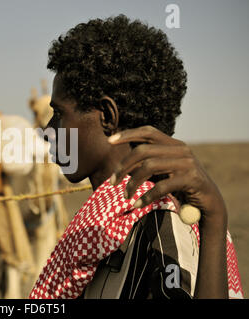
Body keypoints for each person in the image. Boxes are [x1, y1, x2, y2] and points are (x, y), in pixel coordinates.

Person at [30, 15, 243, 299]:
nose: (47, 131)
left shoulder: (161, 222)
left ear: (107, 116)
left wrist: (215, 220)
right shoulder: (105, 223)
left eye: (58, 114)